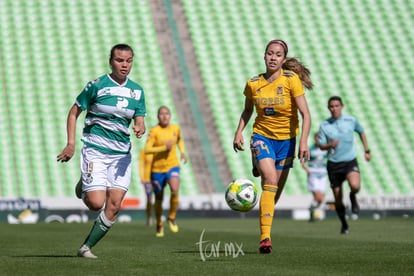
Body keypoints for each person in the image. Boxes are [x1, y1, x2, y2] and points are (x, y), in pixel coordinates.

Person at [57, 44, 146, 258]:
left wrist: (140, 126)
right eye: (119, 60)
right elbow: (73, 113)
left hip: (121, 155)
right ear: (111, 61)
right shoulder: (97, 85)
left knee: (114, 206)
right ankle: (85, 185)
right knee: (96, 203)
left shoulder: (137, 90)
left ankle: (85, 247)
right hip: (95, 149)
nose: (124, 65)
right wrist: (70, 144)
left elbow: (139, 117)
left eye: (128, 60)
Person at [233, 39, 312, 254]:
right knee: (270, 179)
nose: (273, 57)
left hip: (287, 141)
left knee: (273, 193)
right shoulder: (253, 83)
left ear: (283, 59)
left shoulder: (291, 80)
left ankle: (258, 165)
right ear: (264, 56)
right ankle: (265, 238)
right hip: (262, 136)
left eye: (278, 54)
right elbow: (248, 110)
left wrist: (303, 141)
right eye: (269, 53)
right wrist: (239, 131)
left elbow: (306, 114)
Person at [318, 95, 371, 234]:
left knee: (355, 185)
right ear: (328, 108)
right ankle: (344, 224)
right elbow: (321, 145)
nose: (334, 108)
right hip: (334, 164)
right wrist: (330, 144)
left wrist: (367, 150)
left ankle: (353, 196)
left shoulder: (351, 120)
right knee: (338, 198)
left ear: (342, 106)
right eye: (331, 106)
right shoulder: (324, 125)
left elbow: (361, 132)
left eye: (336, 106)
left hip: (349, 160)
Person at [144, 106, 187, 237]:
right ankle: (159, 223)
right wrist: (164, 147)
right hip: (157, 169)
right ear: (158, 116)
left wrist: (183, 152)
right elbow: (147, 149)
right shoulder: (154, 131)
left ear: (170, 116)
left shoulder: (175, 129)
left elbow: (179, 139)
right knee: (159, 197)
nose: (164, 116)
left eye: (166, 114)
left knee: (175, 189)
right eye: (161, 114)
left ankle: (172, 217)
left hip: (172, 165)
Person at [301, 132, 328, 222]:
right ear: (314, 139)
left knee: (321, 199)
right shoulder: (311, 150)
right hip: (313, 174)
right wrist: (307, 170)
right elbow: (303, 161)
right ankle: (313, 211)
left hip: (323, 174)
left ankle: (311, 209)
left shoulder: (325, 149)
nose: (318, 140)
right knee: (318, 197)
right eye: (317, 138)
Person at [139, 148, 154, 226]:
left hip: (158, 177)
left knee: (159, 197)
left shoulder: (160, 150)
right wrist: (142, 177)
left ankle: (158, 216)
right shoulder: (144, 151)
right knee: (149, 199)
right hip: (148, 179)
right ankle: (149, 217)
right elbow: (141, 164)